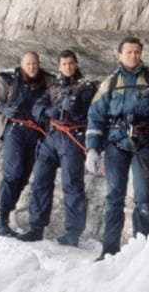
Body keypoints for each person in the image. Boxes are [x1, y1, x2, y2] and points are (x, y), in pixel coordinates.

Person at [85, 37, 149, 259]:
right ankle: (109, 249)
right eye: (128, 52)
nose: (133, 56)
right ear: (120, 55)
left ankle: (141, 251)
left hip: (144, 144)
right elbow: (95, 117)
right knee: (114, 196)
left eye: (137, 52)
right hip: (116, 144)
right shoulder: (110, 83)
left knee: (144, 198)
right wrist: (92, 150)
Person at [17, 50, 97, 247]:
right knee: (40, 181)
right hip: (51, 137)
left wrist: (75, 109)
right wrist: (49, 111)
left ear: (76, 64)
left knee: (72, 184)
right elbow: (37, 108)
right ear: (59, 66)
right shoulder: (53, 86)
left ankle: (73, 233)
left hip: (73, 136)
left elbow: (93, 113)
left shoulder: (87, 87)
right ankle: (36, 227)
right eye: (64, 64)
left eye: (71, 63)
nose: (68, 67)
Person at [0, 51, 54, 236]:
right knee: (12, 173)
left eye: (35, 64)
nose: (32, 67)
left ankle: (5, 217)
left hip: (36, 133)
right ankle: (1, 218)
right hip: (15, 130)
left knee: (23, 176)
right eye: (28, 64)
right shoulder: (8, 80)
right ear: (22, 64)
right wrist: (3, 108)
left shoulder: (47, 81)